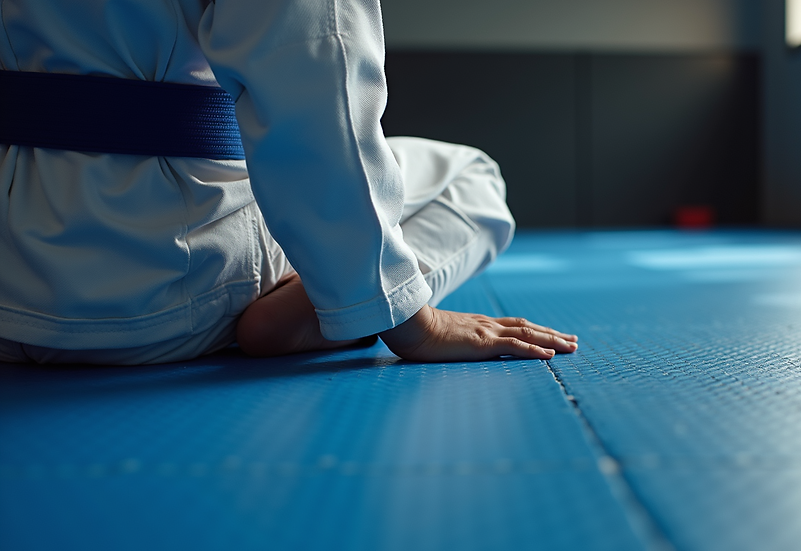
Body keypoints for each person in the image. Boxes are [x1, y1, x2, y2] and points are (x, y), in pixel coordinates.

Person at [0, 0, 576, 365]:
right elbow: (315, 79)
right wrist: (401, 315)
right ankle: (337, 303)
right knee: (471, 174)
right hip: (165, 287)